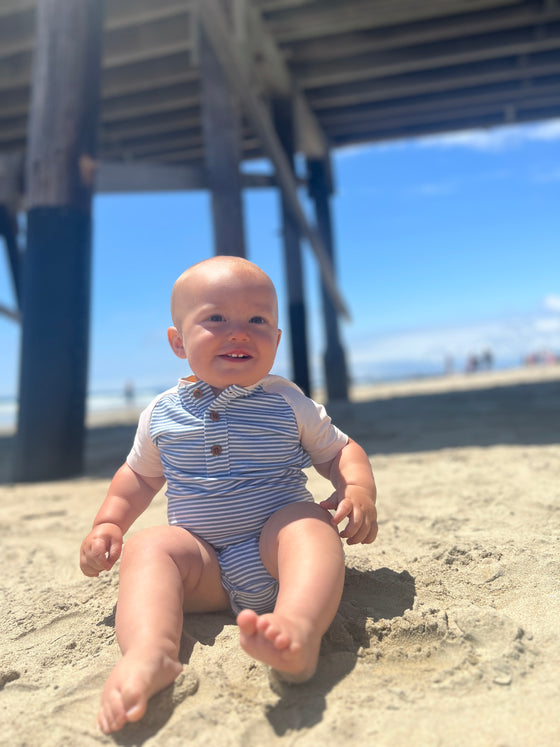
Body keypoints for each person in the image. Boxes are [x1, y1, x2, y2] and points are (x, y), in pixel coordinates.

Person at [80, 256, 378, 734]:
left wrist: (357, 489)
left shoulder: (287, 402)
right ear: (179, 342)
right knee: (152, 547)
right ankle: (150, 653)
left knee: (306, 522)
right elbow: (137, 477)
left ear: (276, 341)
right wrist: (109, 524)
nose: (239, 332)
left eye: (257, 320)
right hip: (206, 570)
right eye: (216, 318)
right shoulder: (160, 415)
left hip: (276, 556)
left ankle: (298, 629)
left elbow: (340, 451)